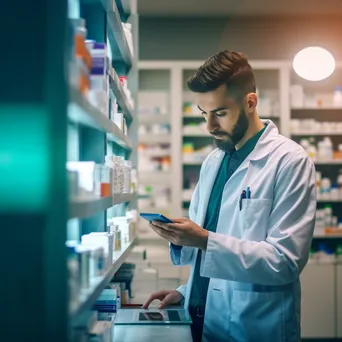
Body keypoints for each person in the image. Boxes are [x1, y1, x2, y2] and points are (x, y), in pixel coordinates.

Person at [142, 51, 316, 342]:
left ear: (250, 102)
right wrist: (186, 292)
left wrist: (203, 239)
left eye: (220, 113)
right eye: (203, 113)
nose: (209, 126)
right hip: (202, 317)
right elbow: (211, 254)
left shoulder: (289, 161)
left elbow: (284, 262)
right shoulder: (213, 161)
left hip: (255, 326)